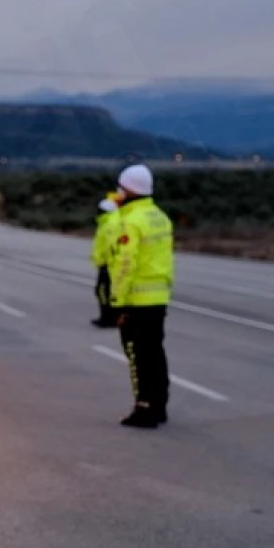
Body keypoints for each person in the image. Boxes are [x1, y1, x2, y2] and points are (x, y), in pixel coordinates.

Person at [108, 164, 175, 429]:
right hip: (158, 298)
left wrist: (117, 302)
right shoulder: (160, 217)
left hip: (136, 300)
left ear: (129, 190)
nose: (118, 193)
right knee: (155, 354)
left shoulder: (131, 221)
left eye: (120, 188)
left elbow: (125, 264)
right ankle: (159, 405)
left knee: (138, 356)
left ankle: (144, 407)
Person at [90, 195, 120, 328]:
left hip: (109, 264)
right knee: (106, 292)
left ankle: (107, 318)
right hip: (107, 263)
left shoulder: (110, 224)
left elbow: (111, 245)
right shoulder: (106, 222)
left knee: (102, 291)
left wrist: (107, 262)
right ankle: (109, 317)